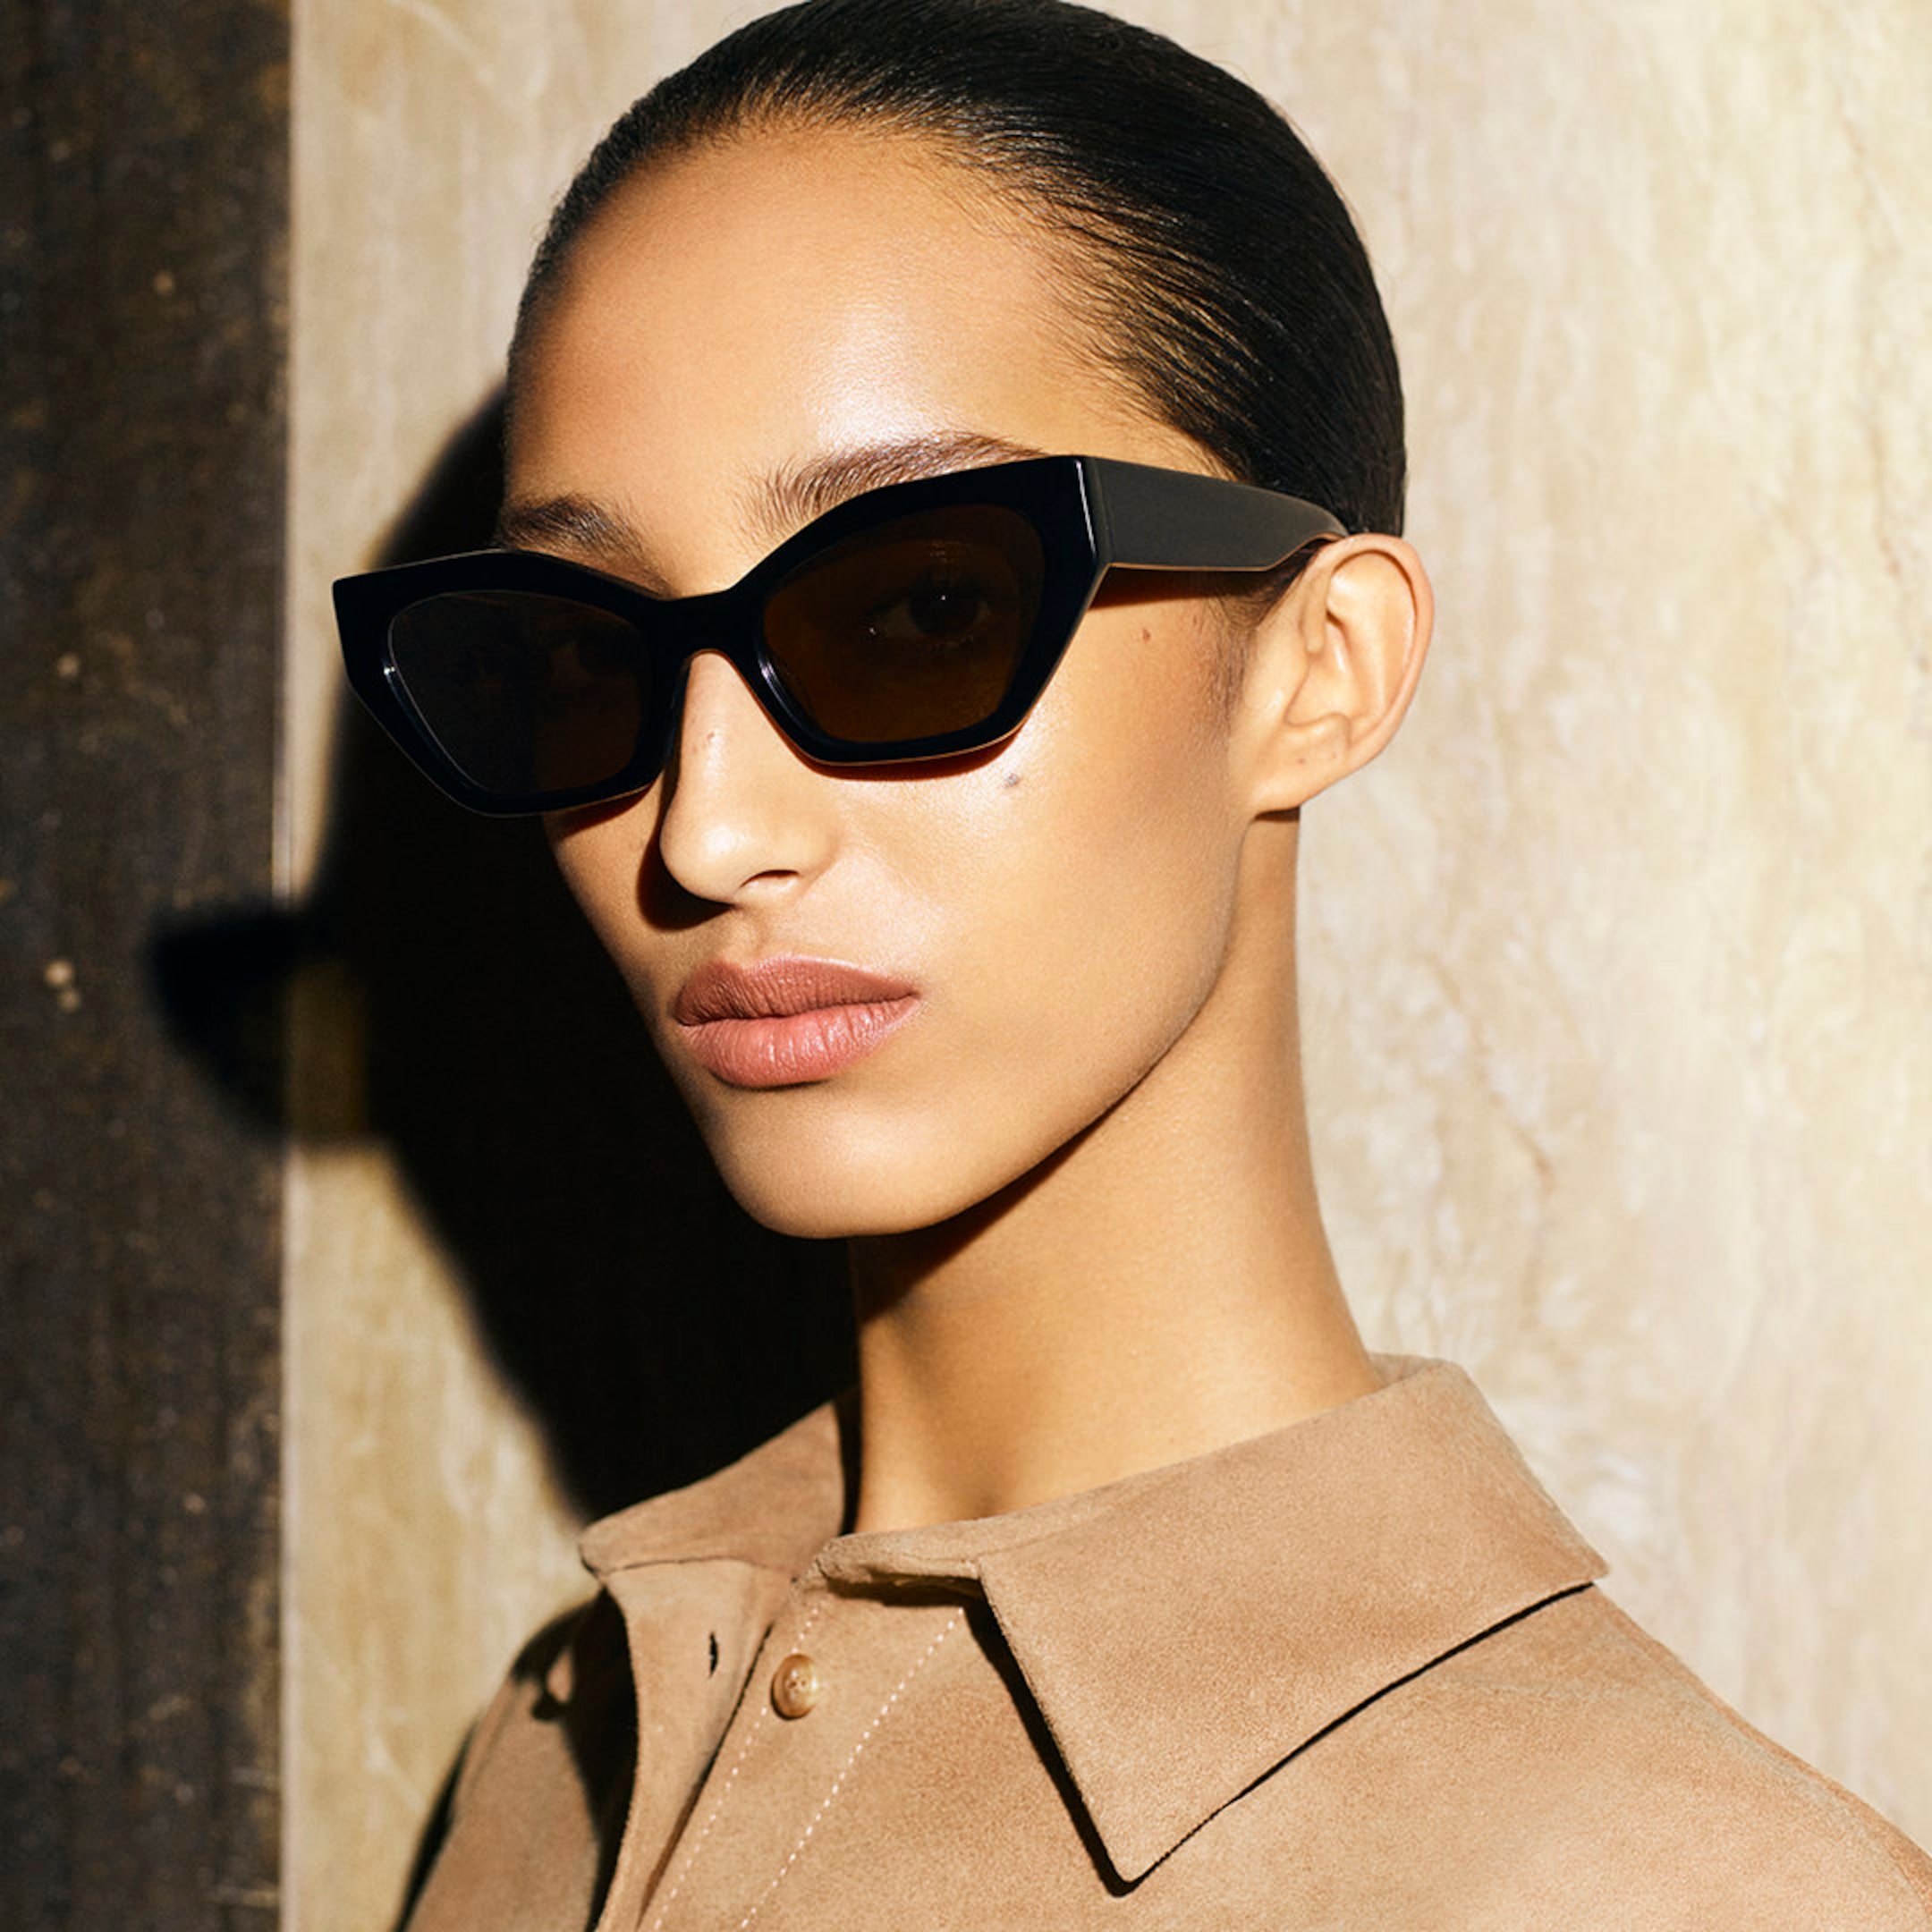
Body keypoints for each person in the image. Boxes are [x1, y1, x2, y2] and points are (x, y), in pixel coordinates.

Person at [333, 1, 1932, 1924]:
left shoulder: (1666, 1890)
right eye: (584, 656)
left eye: (918, 607)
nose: (702, 830)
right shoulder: (560, 1754)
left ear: (1315, 672)